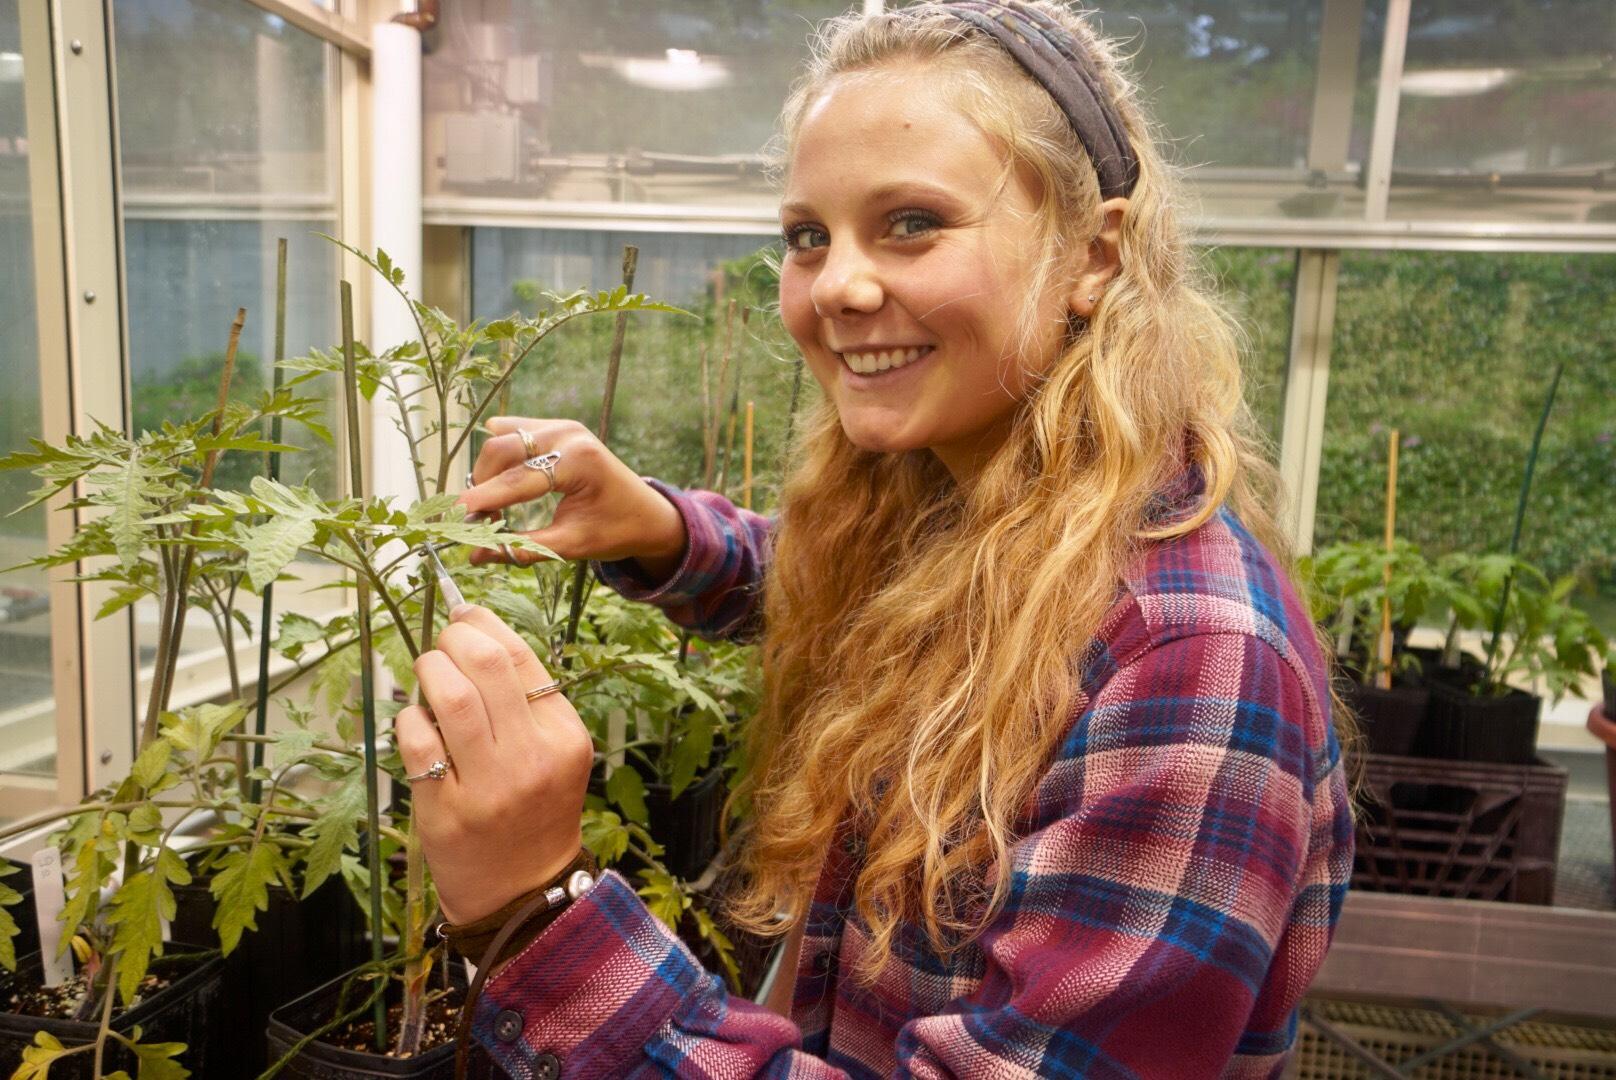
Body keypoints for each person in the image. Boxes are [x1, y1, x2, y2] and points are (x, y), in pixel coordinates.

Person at [394, 2, 1355, 1076]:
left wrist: (537, 910)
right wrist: (662, 532)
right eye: (808, 236)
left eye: (910, 223)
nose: (838, 287)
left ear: (1091, 255)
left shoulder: (1192, 673)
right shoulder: (975, 513)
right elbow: (846, 593)